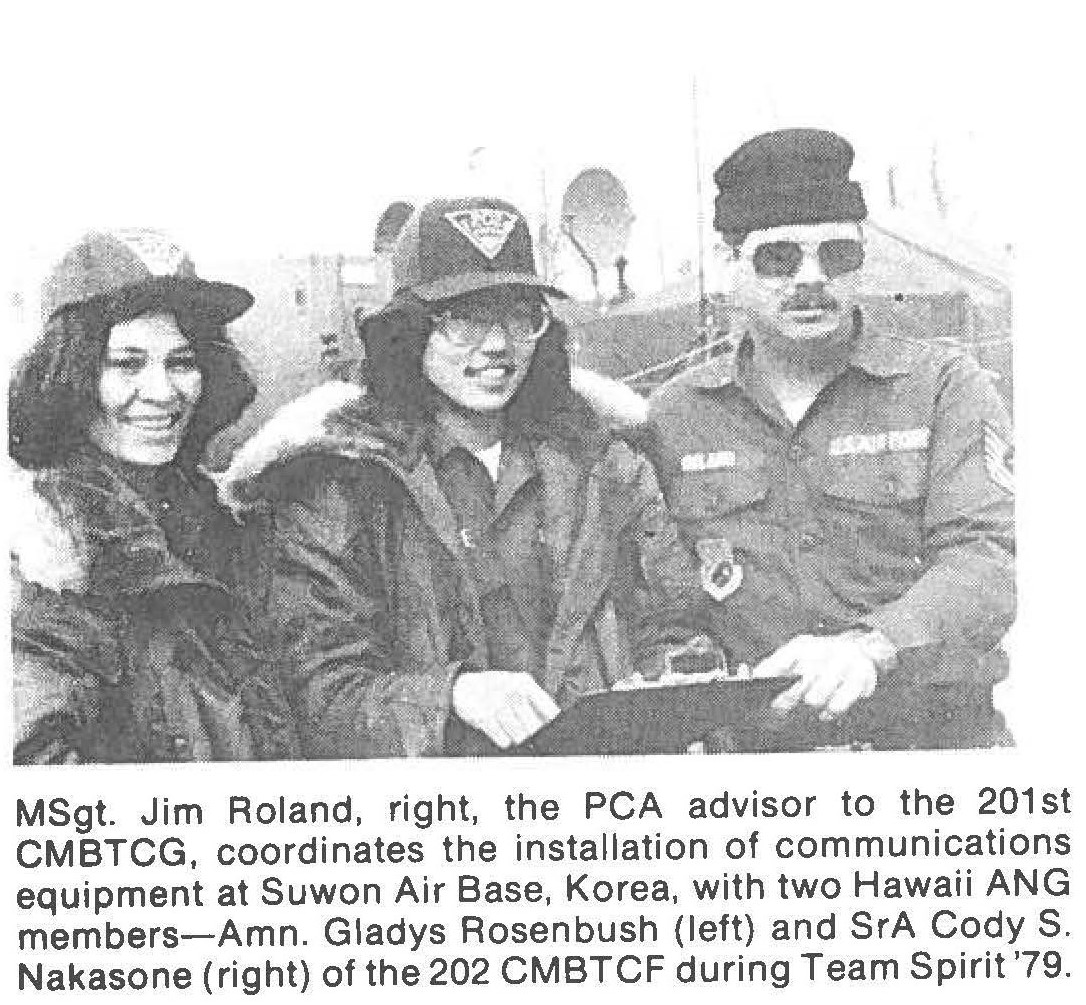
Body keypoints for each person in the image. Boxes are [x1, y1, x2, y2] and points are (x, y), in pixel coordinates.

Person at [223, 196, 714, 757]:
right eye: (465, 319)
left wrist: (673, 684)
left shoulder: (607, 466)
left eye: (519, 315)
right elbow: (318, 689)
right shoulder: (340, 486)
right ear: (409, 333)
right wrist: (449, 695)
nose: (499, 344)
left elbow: (674, 624)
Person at [648, 129, 1015, 750]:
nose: (811, 278)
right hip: (755, 758)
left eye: (837, 254)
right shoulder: (676, 415)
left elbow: (989, 561)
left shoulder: (944, 387)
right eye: (778, 258)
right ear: (725, 259)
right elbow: (657, 597)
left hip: (930, 744)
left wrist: (874, 647)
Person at [10, 229, 298, 763]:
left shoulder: (224, 518)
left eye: (182, 361)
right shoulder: (44, 552)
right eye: (126, 363)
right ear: (70, 376)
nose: (163, 392)